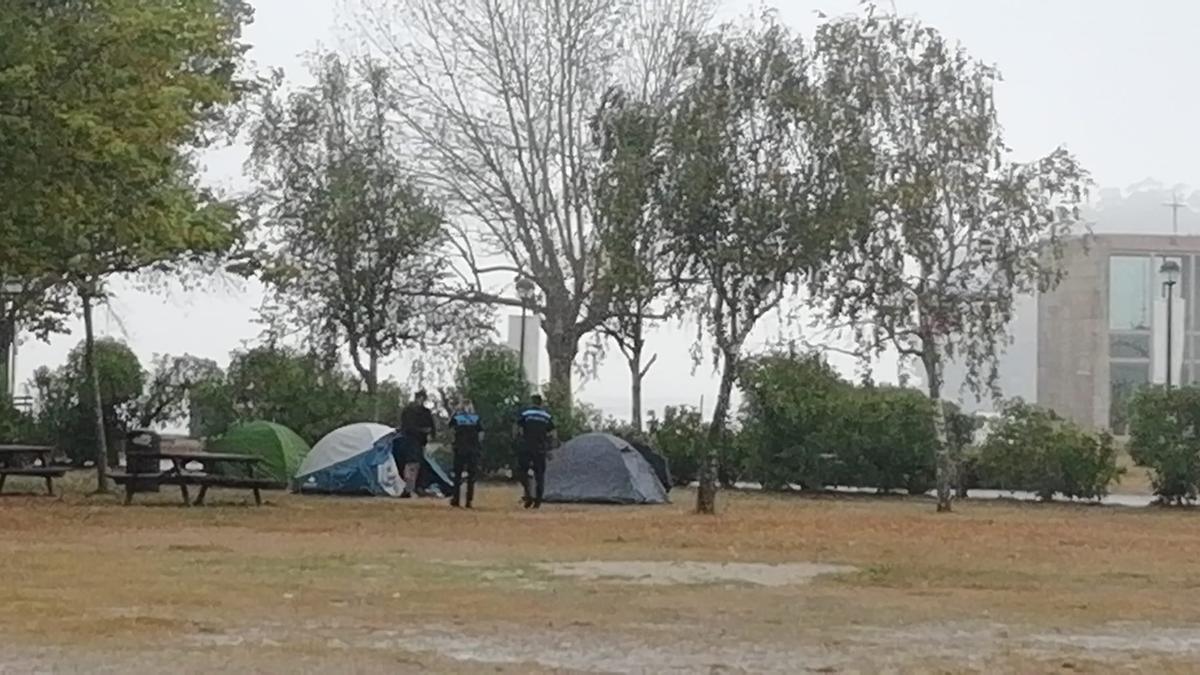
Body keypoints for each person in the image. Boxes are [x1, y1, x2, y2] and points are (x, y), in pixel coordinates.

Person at [515, 394, 555, 509]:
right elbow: (553, 432)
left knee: (522, 472)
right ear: (541, 403)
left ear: (532, 402)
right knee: (540, 475)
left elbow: (518, 428)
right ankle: (538, 501)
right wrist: (549, 445)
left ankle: (528, 495)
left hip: (526, 447)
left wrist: (519, 439)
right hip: (540, 449)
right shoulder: (547, 416)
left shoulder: (526, 414)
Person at [397, 390, 435, 498]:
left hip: (419, 442)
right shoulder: (409, 411)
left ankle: (415, 487)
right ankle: (409, 488)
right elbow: (407, 427)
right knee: (412, 464)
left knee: (416, 464)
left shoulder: (424, 412)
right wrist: (423, 431)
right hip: (411, 440)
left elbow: (431, 427)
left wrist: (429, 434)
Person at [448, 398, 484, 508]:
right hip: (473, 449)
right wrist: (478, 445)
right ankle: (469, 500)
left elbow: (449, 426)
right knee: (471, 476)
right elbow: (481, 433)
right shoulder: (475, 418)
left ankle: (456, 499)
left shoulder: (457, 417)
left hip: (460, 448)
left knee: (457, 475)